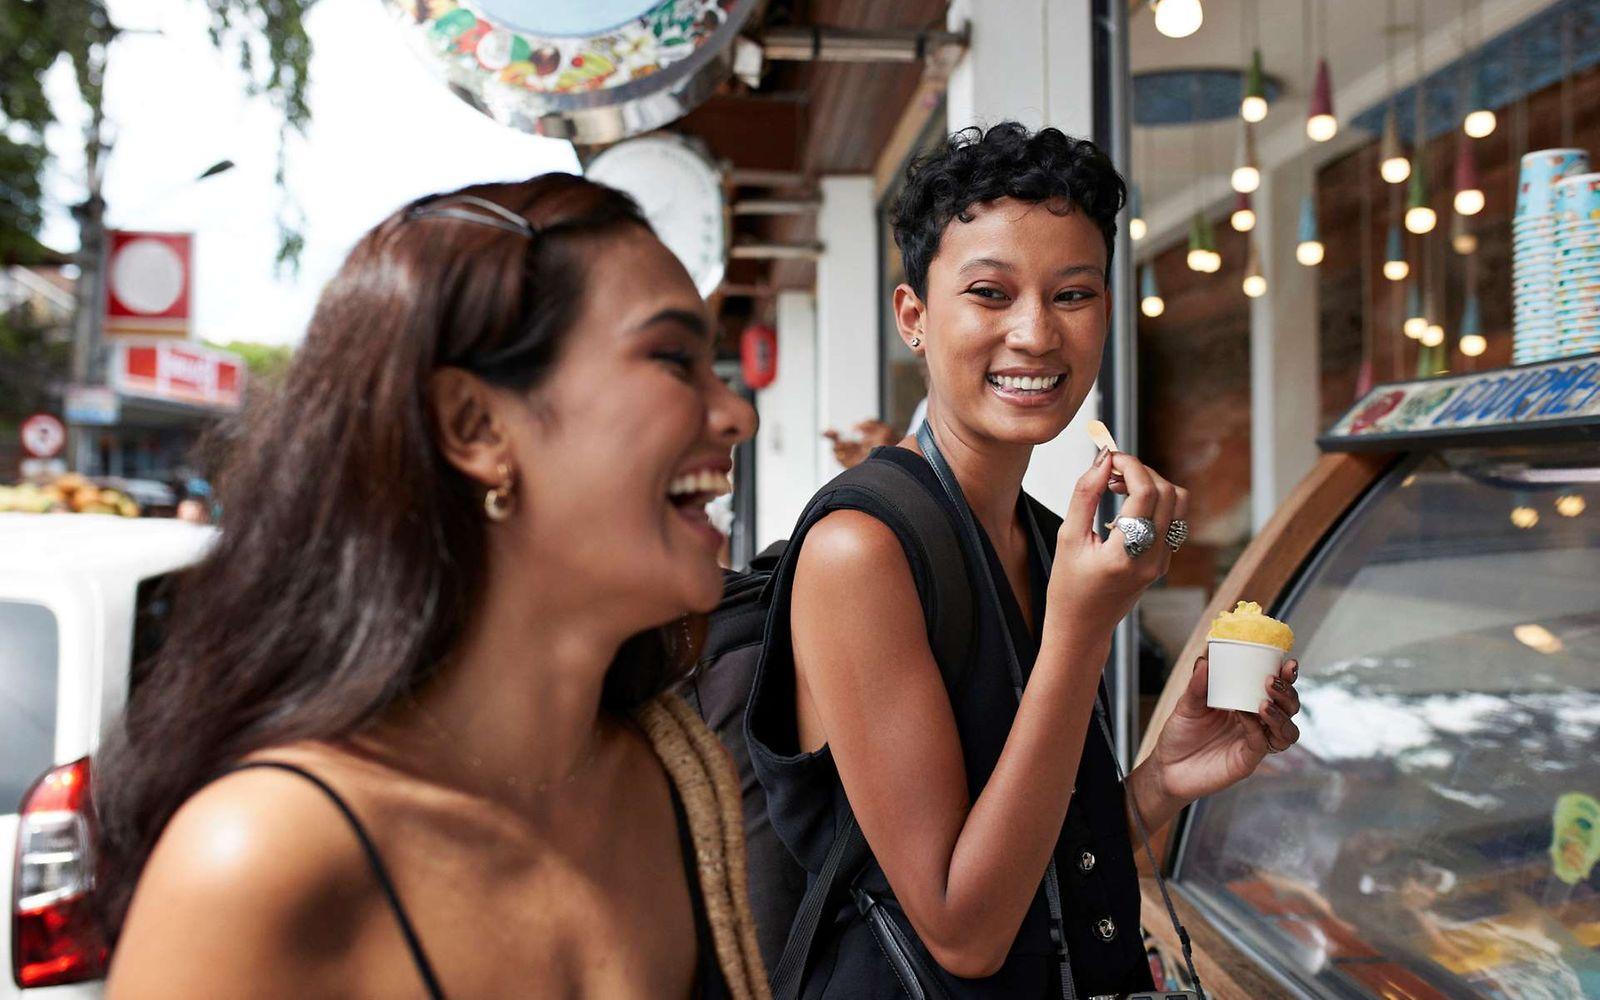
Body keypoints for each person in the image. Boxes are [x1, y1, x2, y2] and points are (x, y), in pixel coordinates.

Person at [95, 175, 770, 999]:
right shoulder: (259, 859)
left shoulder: (678, 773)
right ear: (475, 427)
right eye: (673, 358)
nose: (737, 413)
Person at [746, 123, 1304, 998]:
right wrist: (1081, 630)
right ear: (914, 318)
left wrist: (1162, 782)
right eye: (990, 293)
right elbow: (965, 931)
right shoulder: (860, 550)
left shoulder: (1043, 534)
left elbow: (1038, 873)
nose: (1036, 334)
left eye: (1072, 295)